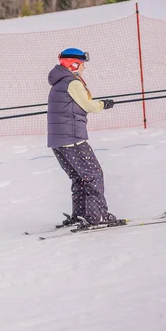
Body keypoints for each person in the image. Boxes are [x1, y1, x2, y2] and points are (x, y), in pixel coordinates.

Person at [47, 48, 116, 227]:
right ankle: (97, 217)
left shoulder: (59, 82)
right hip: (72, 139)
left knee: (79, 177)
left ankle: (80, 215)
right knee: (94, 175)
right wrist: (103, 104)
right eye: (82, 64)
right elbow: (88, 105)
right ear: (74, 64)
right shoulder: (72, 83)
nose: (84, 68)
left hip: (58, 141)